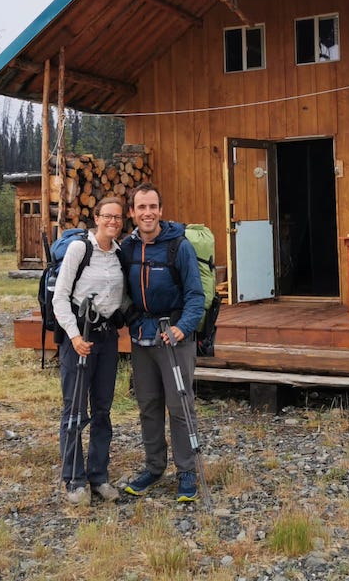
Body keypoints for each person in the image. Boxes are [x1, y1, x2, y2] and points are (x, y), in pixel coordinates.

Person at [121, 183, 206, 502]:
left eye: (152, 206)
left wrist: (182, 328)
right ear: (132, 212)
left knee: (180, 407)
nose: (147, 213)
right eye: (141, 207)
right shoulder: (127, 249)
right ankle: (154, 468)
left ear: (161, 210)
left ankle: (186, 471)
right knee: (149, 406)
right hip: (142, 338)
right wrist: (130, 320)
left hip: (174, 338)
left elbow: (196, 296)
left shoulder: (178, 246)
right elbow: (122, 293)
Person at [53, 197, 127, 505]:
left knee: (102, 409)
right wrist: (72, 336)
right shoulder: (79, 250)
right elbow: (60, 296)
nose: (112, 221)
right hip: (79, 338)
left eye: (118, 217)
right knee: (74, 411)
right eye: (107, 216)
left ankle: (98, 475)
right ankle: (74, 478)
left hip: (106, 337)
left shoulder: (121, 254)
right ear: (96, 218)